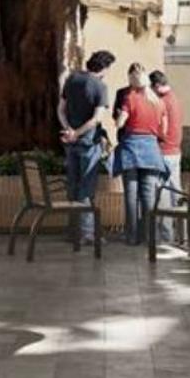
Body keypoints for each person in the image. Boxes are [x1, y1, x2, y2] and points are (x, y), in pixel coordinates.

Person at [58, 50, 116, 246]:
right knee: (86, 188)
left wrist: (68, 130)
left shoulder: (72, 79)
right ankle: (86, 233)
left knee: (73, 185)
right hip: (88, 143)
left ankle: (72, 232)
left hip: (70, 143)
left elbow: (60, 109)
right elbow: (96, 119)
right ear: (105, 68)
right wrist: (78, 133)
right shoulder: (100, 86)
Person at [112, 63, 168, 246]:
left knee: (131, 194)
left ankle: (132, 236)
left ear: (131, 79)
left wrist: (120, 116)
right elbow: (163, 127)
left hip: (131, 147)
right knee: (148, 195)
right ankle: (149, 235)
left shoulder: (130, 98)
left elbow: (120, 123)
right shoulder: (158, 101)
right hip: (151, 148)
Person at [150, 70, 184, 243]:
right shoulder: (175, 99)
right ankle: (183, 235)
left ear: (156, 86)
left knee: (162, 195)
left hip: (163, 152)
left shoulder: (161, 102)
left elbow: (159, 129)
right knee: (176, 193)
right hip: (176, 151)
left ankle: (165, 237)